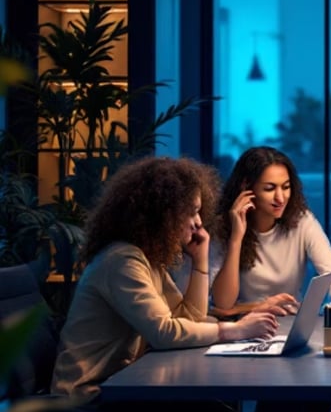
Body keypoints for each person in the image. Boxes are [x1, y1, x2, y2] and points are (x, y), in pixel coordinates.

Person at [51, 157, 279, 408]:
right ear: (163, 214)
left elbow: (189, 317)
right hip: (89, 397)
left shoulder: (147, 258)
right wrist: (233, 330)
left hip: (120, 384)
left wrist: (200, 261)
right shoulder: (122, 260)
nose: (199, 222)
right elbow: (164, 332)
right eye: (191, 211)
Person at [210, 146, 331, 319]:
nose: (280, 198)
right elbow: (223, 303)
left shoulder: (302, 221)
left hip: (290, 322)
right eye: (270, 188)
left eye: (285, 187)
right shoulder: (223, 226)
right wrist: (236, 238)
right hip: (240, 326)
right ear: (246, 187)